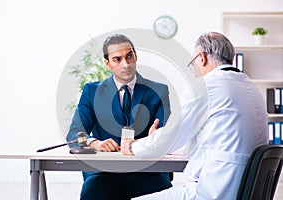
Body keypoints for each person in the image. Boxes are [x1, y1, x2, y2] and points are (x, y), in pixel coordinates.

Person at [121, 31, 269, 199]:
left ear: (202, 58)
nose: (194, 70)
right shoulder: (250, 87)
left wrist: (132, 146)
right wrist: (162, 139)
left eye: (193, 63)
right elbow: (205, 140)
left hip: (210, 192)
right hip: (238, 190)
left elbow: (170, 136)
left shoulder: (208, 86)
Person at [66, 34, 172, 200]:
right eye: (117, 59)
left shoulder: (159, 91)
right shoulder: (91, 92)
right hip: (104, 173)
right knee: (92, 191)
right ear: (107, 63)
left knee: (164, 192)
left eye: (129, 56)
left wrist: (157, 138)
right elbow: (74, 133)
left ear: (136, 56)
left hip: (148, 172)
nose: (126, 64)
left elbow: (167, 134)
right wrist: (96, 143)